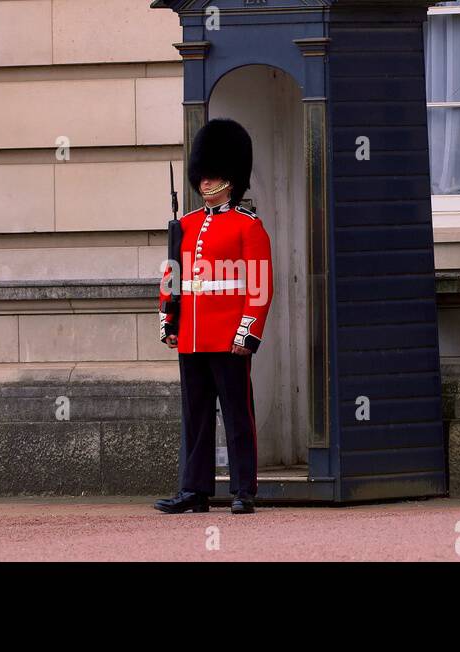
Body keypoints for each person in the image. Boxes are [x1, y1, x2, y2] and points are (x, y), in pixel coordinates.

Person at [155, 118, 274, 515]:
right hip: (191, 335)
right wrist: (169, 323)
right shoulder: (186, 225)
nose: (205, 183)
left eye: (213, 176)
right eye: (202, 176)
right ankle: (195, 489)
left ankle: (244, 489)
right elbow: (171, 278)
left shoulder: (248, 226)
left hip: (227, 337)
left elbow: (258, 286)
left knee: (238, 414)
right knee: (196, 417)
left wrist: (247, 332)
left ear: (231, 178)